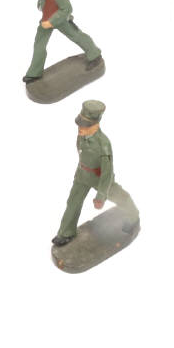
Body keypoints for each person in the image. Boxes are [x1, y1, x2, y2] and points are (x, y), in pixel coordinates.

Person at [52, 100, 139, 247]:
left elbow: (107, 172)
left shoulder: (103, 144)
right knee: (73, 203)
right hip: (82, 176)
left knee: (121, 197)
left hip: (100, 178)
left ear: (96, 125)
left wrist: (101, 196)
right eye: (80, 124)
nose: (80, 128)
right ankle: (66, 233)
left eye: (85, 125)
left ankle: (133, 216)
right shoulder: (81, 136)